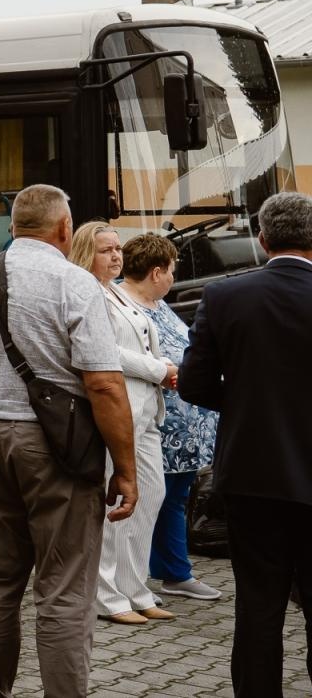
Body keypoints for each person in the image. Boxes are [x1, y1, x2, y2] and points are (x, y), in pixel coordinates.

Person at [0, 184, 137, 698]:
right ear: (65, 229)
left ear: (12, 226)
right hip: (55, 448)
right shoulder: (74, 283)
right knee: (64, 588)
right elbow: (105, 383)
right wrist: (126, 467)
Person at [179, 191, 312, 695]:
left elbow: (193, 384)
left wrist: (245, 407)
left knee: (257, 606)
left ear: (261, 238)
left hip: (252, 473)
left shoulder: (224, 295)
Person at [67, 222, 173, 626]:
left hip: (145, 409)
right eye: (105, 250)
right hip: (117, 407)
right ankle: (107, 594)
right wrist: (158, 369)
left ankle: (136, 587)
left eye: (117, 249)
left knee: (152, 495)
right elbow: (105, 351)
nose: (115, 256)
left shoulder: (116, 291)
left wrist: (156, 371)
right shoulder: (85, 291)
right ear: (85, 253)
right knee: (118, 502)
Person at [116, 232, 220, 602]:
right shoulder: (122, 304)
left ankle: (169, 572)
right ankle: (162, 575)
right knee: (153, 501)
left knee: (171, 498)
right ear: (157, 272)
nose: (174, 278)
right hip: (157, 426)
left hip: (184, 430)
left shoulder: (157, 303)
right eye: (173, 270)